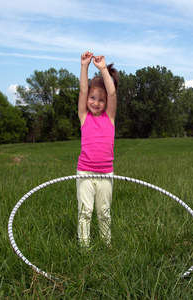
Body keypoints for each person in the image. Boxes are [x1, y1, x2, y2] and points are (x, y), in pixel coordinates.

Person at [76, 51, 119, 248]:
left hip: (105, 174)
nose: (95, 102)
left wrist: (103, 70)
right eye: (93, 98)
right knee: (85, 211)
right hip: (84, 172)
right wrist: (84, 66)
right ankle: (84, 246)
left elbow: (111, 92)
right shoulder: (84, 117)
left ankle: (106, 244)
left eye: (100, 100)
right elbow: (83, 91)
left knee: (103, 211)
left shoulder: (109, 118)